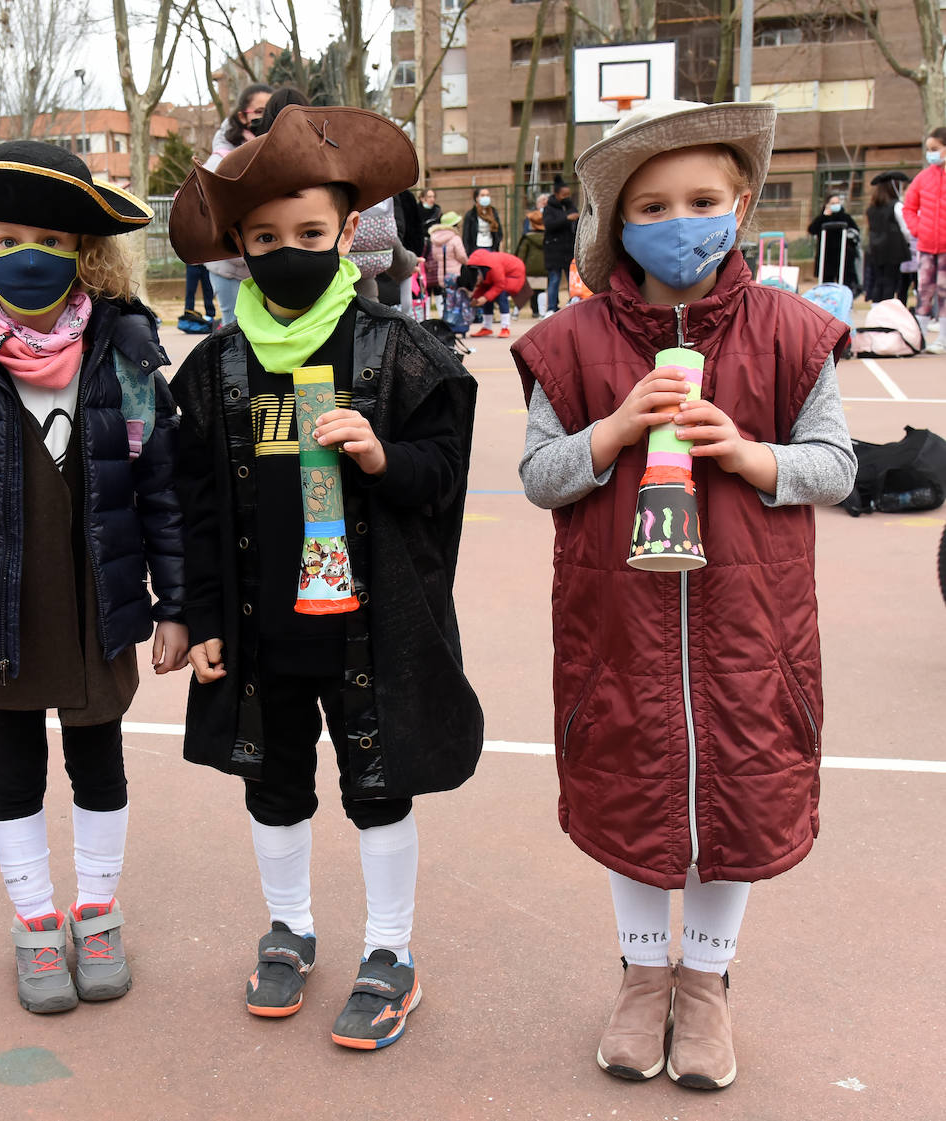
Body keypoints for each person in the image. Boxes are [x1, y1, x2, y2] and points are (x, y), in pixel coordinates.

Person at [513, 99, 855, 1091]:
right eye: (652, 205)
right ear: (618, 223)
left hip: (754, 628)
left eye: (702, 199)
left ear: (740, 206)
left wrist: (749, 454)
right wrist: (614, 431)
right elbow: (540, 475)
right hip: (615, 625)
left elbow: (834, 465)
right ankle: (642, 970)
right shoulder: (569, 342)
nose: (680, 221)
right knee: (632, 781)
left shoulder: (794, 332)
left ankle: (704, 981)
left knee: (741, 788)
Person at [167, 105, 482, 1051]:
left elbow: (446, 478)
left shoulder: (403, 351)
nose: (288, 252)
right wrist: (201, 615)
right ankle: (291, 927)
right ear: (236, 248)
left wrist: (385, 457)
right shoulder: (215, 368)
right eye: (265, 238)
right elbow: (194, 508)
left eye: (309, 234)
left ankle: (391, 948)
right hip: (266, 627)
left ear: (348, 233)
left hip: (370, 624)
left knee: (378, 784)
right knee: (273, 780)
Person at [0, 141, 188, 1014]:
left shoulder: (126, 352)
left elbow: (161, 488)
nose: (28, 253)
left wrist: (176, 605)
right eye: (7, 234)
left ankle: (95, 914)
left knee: (100, 761)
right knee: (14, 771)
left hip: (99, 603)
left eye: (50, 238)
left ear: (84, 252)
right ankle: (34, 922)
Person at [203, 84, 273, 326]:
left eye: (270, 110)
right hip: (228, 266)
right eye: (260, 110)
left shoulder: (270, 152)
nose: (265, 117)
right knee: (235, 330)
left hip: (262, 263)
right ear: (243, 115)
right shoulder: (222, 158)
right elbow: (208, 210)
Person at [903, 126, 946, 346]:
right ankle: (918, 337)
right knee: (924, 290)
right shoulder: (922, 178)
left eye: (935, 148)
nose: (931, 153)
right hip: (927, 246)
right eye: (928, 149)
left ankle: (943, 338)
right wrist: (918, 230)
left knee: (944, 289)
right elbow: (908, 208)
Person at [865, 172, 912, 305]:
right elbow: (906, 229)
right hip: (893, 250)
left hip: (875, 249)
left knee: (878, 281)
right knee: (890, 282)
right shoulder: (896, 206)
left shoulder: (871, 208)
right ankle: (886, 310)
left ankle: (876, 308)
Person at [466, 248, 529, 336]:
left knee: (501, 295)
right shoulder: (479, 269)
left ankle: (505, 327)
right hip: (500, 276)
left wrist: (485, 297)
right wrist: (475, 298)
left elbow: (500, 284)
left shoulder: (493, 267)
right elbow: (481, 286)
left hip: (514, 274)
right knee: (487, 295)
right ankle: (487, 327)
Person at [806, 192, 860, 291]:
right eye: (833, 203)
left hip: (843, 256)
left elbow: (855, 231)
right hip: (826, 257)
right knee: (826, 284)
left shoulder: (845, 217)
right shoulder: (822, 218)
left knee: (845, 283)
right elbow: (812, 230)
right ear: (827, 204)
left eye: (837, 203)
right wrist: (824, 216)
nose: (835, 205)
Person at [542, 173, 578, 313]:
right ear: (556, 194)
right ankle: (551, 307)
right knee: (554, 279)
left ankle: (573, 302)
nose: (567, 196)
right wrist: (566, 218)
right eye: (564, 194)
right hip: (554, 250)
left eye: (568, 194)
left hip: (568, 248)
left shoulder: (569, 205)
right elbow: (549, 225)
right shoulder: (549, 208)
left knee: (571, 279)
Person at [424, 210, 468, 304]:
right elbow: (462, 256)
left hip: (442, 274)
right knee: (456, 300)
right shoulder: (455, 238)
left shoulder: (435, 239)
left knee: (447, 299)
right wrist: (466, 262)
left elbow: (435, 257)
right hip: (455, 274)